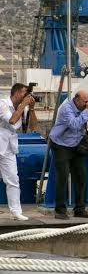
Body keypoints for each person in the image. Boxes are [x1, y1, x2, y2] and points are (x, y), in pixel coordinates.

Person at [0, 84, 38, 220]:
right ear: (16, 93)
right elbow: (12, 120)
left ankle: (16, 212)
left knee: (13, 180)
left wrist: (31, 108)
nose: (26, 96)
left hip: (9, 148)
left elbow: (33, 128)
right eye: (24, 93)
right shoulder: (3, 104)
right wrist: (23, 105)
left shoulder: (24, 107)